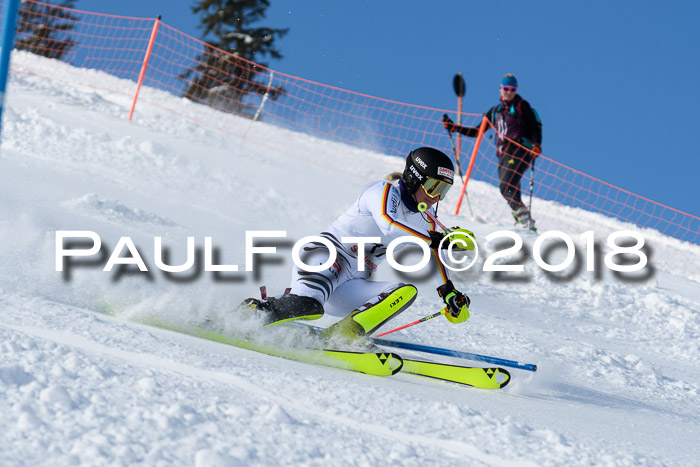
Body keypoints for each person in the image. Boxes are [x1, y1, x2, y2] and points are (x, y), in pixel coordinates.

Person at [244, 147, 474, 340]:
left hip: (352, 282)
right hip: (326, 258)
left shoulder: (425, 219)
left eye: (443, 191)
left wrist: (448, 292)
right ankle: (247, 315)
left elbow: (432, 252)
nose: (436, 197)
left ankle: (345, 337)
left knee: (403, 292)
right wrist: (439, 239)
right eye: (433, 187)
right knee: (308, 307)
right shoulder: (382, 191)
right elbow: (389, 224)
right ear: (415, 178)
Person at [443, 74, 542, 228]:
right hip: (503, 155)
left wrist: (537, 144)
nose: (509, 92)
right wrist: (455, 128)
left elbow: (534, 127)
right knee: (510, 187)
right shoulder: (495, 112)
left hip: (520, 150)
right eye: (506, 88)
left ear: (516, 90)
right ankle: (523, 220)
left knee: (506, 185)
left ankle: (524, 218)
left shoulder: (522, 106)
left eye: (512, 89)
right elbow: (477, 131)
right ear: (501, 89)